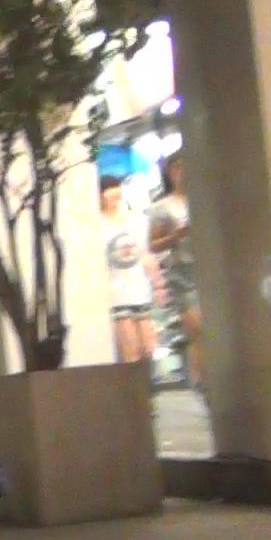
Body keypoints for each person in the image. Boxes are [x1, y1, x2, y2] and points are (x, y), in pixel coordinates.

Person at [150, 153, 204, 390]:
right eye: (177, 168)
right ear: (170, 173)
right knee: (197, 329)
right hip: (182, 274)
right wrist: (175, 236)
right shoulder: (162, 207)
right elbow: (153, 244)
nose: (182, 173)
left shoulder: (202, 200)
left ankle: (204, 379)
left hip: (207, 270)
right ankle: (201, 382)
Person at [99, 174, 156, 366]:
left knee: (149, 348)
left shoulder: (135, 220)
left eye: (117, 193)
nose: (115, 198)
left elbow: (145, 253)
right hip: (116, 296)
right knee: (130, 353)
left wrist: (157, 284)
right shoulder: (97, 225)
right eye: (109, 193)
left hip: (139, 291)